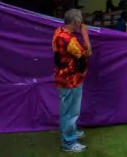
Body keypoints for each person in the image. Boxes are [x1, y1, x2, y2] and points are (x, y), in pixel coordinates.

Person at [53, 9, 92, 152]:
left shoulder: (59, 31)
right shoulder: (69, 39)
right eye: (80, 20)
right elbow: (87, 53)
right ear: (75, 21)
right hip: (70, 81)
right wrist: (85, 34)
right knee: (71, 112)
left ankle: (69, 133)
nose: (81, 22)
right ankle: (69, 142)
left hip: (65, 78)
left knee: (67, 111)